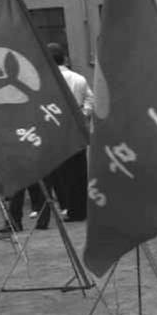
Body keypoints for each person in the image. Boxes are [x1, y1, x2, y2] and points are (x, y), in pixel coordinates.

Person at [48, 42, 93, 222]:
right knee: (79, 169)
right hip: (76, 128)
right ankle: (81, 209)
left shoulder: (46, 80)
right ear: (65, 58)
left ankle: (67, 207)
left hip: (56, 128)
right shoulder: (79, 78)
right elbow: (91, 99)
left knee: (60, 172)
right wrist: (82, 114)